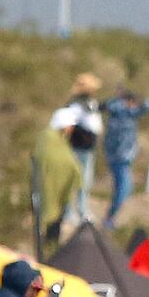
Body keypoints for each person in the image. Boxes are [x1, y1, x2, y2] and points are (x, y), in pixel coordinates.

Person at [102, 88, 149, 229]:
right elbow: (144, 108)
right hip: (121, 158)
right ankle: (110, 218)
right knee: (124, 189)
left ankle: (110, 218)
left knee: (121, 189)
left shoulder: (116, 111)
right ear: (129, 102)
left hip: (116, 157)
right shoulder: (124, 112)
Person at [34, 108, 84, 245]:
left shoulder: (60, 140)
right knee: (49, 222)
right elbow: (60, 160)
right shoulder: (49, 138)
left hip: (57, 188)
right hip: (48, 187)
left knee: (55, 222)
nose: (71, 129)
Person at [64, 73, 104, 223]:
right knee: (74, 180)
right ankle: (70, 212)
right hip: (77, 147)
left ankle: (82, 210)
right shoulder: (76, 105)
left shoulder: (91, 103)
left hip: (88, 147)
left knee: (85, 182)